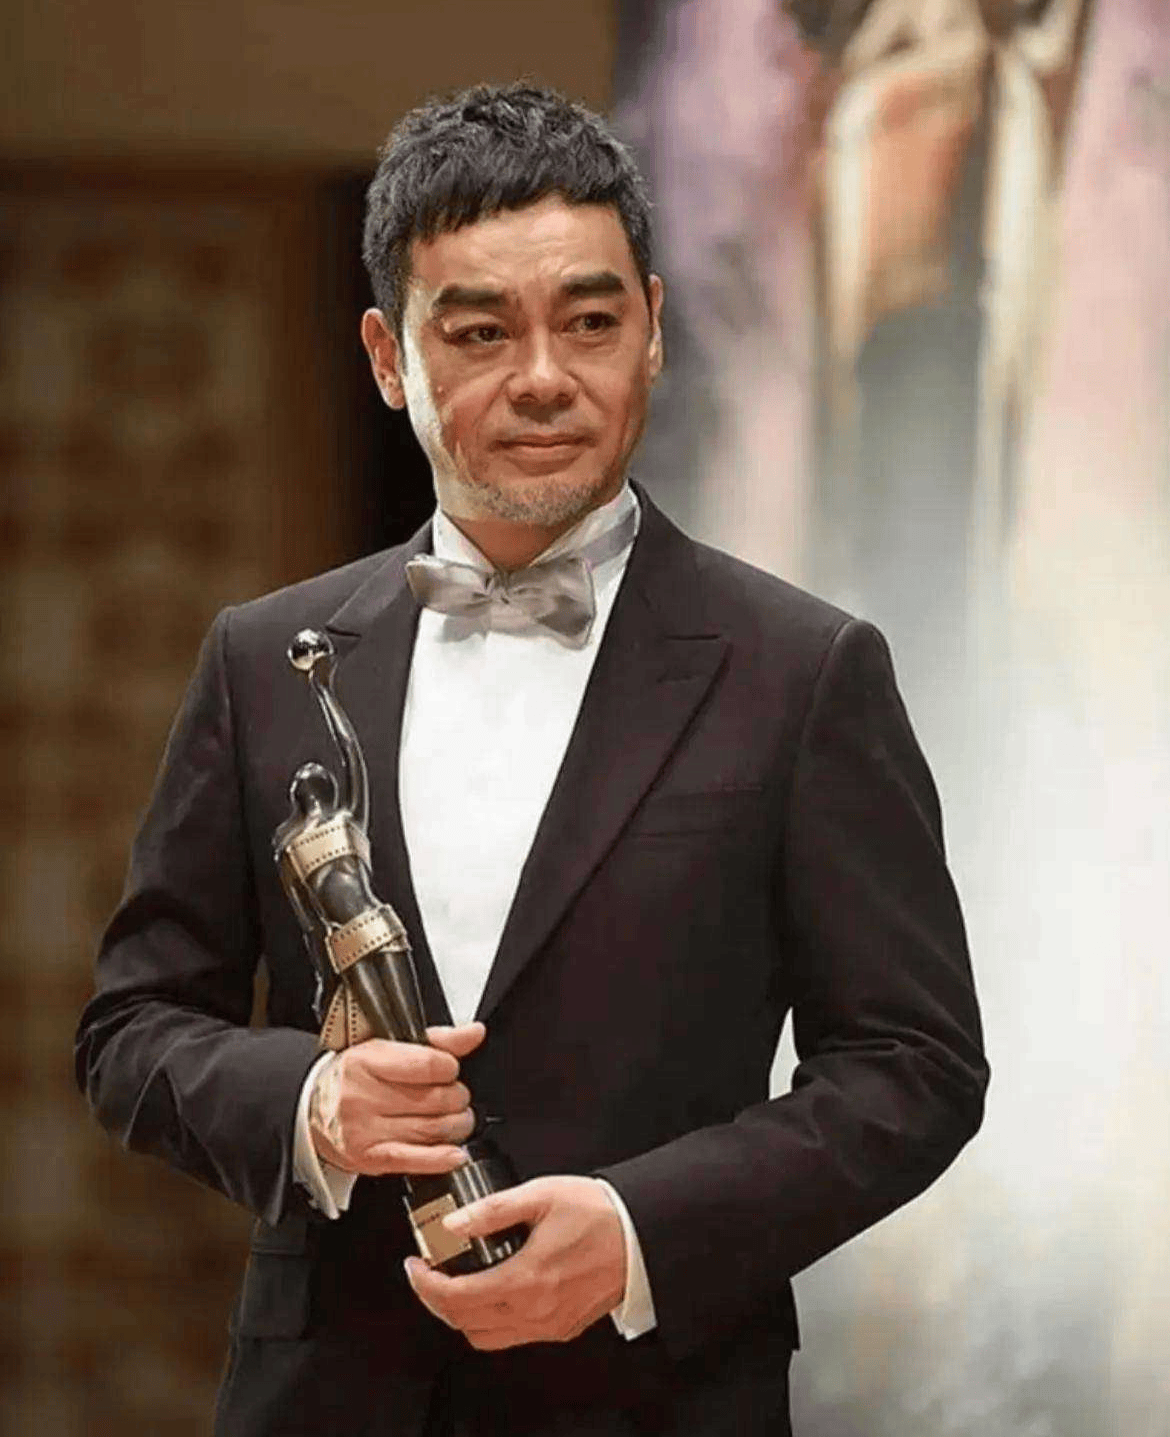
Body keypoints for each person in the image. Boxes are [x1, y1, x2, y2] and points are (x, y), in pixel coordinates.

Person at [75, 82, 988, 1437]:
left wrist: (638, 1231)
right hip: (328, 1397)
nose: (546, 376)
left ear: (655, 332)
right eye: (481, 331)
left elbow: (914, 1065)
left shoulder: (805, 671)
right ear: (389, 358)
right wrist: (313, 1104)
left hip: (660, 1399)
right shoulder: (261, 660)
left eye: (591, 321)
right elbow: (132, 1029)